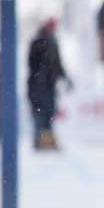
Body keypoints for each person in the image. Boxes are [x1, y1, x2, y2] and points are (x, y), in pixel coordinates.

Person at [27, 18, 71, 151]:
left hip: (50, 86)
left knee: (49, 114)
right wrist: (40, 78)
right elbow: (32, 64)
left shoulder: (53, 43)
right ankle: (40, 143)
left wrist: (65, 78)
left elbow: (58, 64)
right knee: (39, 115)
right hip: (37, 87)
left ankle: (47, 142)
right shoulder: (37, 42)